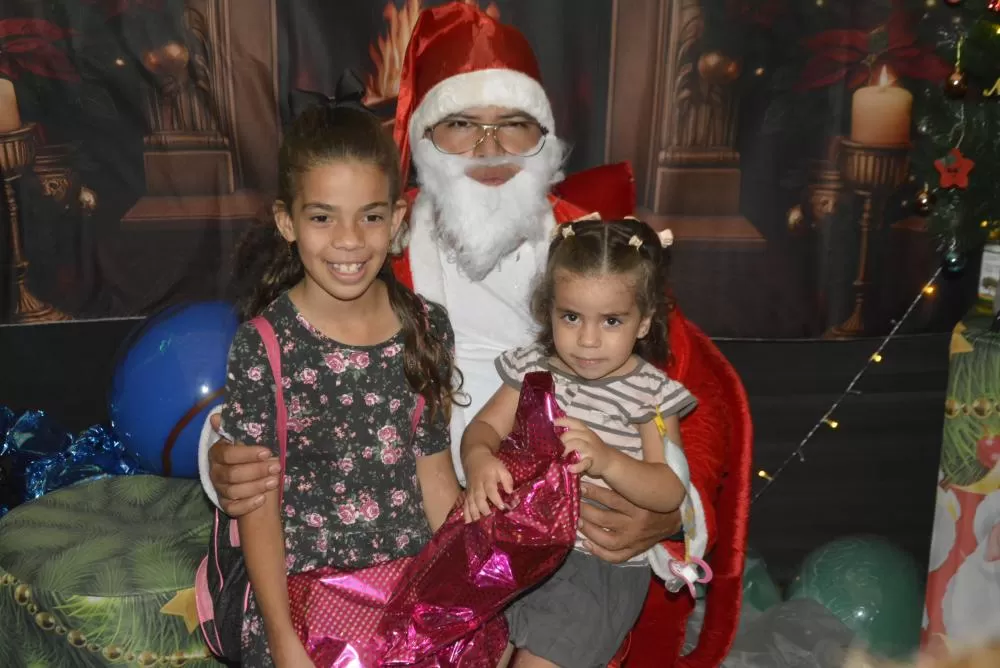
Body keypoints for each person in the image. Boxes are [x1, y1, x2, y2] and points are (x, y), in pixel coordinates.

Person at [199, 4, 750, 665]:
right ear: (424, 138)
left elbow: (694, 389)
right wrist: (225, 458)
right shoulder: (371, 242)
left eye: (513, 124)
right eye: (461, 124)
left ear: (543, 138)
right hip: (421, 539)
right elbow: (278, 380)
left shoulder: (595, 251)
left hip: (564, 538)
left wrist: (670, 504)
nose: (490, 149)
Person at [219, 99, 461, 666]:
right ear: (287, 222)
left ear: (397, 220)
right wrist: (283, 638)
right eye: (323, 217)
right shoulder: (264, 346)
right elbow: (258, 506)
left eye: (370, 217)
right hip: (305, 598)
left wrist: (469, 590)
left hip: (409, 590)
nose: (349, 240)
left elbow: (435, 476)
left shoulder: (427, 327)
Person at [463, 219, 701, 667]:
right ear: (549, 311)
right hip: (516, 547)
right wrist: (478, 459)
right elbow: (484, 428)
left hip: (595, 569)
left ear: (644, 321)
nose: (588, 340)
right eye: (571, 317)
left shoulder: (650, 394)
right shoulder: (534, 368)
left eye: (611, 321)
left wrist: (609, 461)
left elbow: (670, 490)